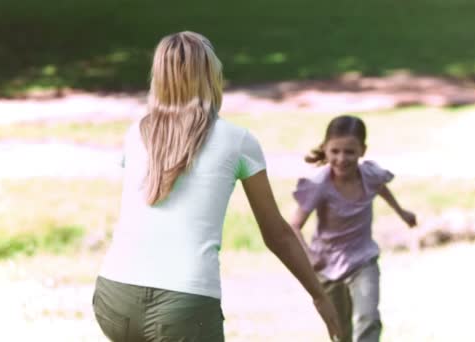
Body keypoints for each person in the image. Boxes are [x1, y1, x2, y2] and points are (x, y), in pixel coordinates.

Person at [92, 31, 342, 342]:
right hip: (185, 303)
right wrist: (319, 296)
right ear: (210, 76)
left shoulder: (135, 134)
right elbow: (276, 233)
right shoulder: (238, 141)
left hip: (114, 297)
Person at [289, 115, 417, 342]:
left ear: (362, 151)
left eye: (349, 152)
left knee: (368, 317)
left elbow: (380, 188)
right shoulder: (320, 185)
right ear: (325, 149)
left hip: (362, 258)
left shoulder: (369, 175)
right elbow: (294, 226)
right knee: (341, 331)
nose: (341, 159)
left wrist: (401, 212)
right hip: (327, 264)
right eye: (335, 151)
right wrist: (309, 256)